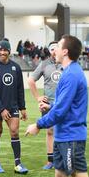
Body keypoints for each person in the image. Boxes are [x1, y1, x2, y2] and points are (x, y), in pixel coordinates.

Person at [25, 35, 89, 177]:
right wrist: (50, 107)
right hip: (63, 135)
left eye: (58, 47)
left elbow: (61, 111)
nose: (54, 50)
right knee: (60, 176)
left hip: (72, 135)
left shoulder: (72, 75)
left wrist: (38, 124)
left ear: (65, 52)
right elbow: (62, 107)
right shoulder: (67, 72)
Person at [0, 39, 29, 174]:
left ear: (9, 51)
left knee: (15, 131)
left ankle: (18, 163)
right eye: (0, 50)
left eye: (5, 50)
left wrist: (23, 108)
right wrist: (1, 109)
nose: (2, 52)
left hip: (12, 106)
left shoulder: (16, 68)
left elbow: (20, 89)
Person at [27, 41, 62, 170]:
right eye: (51, 49)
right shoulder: (44, 64)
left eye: (56, 48)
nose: (54, 51)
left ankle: (63, 158)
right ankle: (50, 160)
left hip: (62, 104)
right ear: (49, 51)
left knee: (63, 131)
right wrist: (38, 98)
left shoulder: (66, 64)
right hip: (48, 104)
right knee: (50, 131)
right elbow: (31, 80)